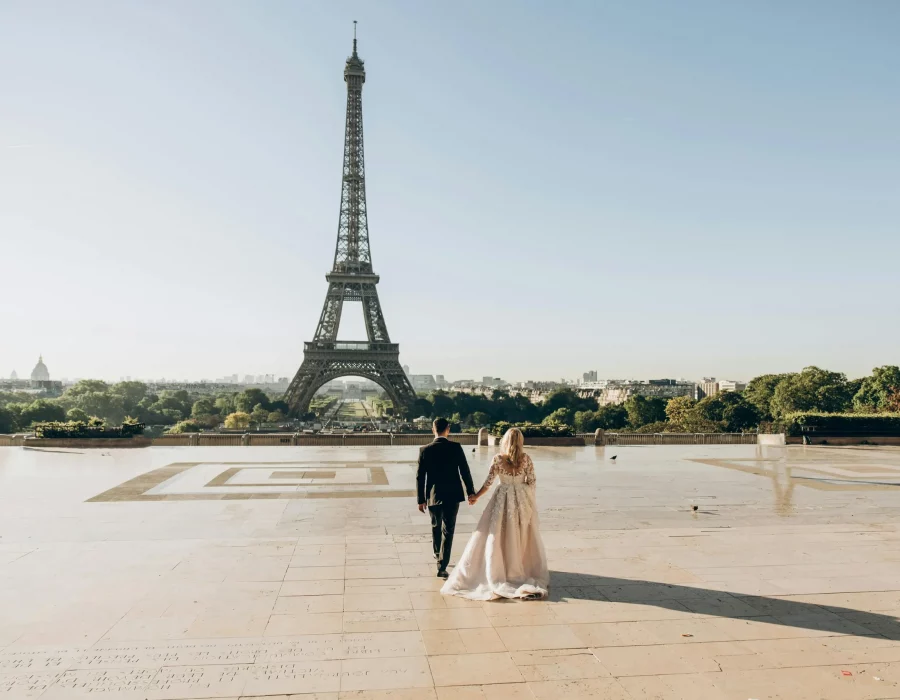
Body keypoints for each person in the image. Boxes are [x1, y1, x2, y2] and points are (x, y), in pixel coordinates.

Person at [441, 427, 549, 600]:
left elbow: (488, 483)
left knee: (498, 533)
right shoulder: (526, 459)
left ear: (505, 440)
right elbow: (533, 482)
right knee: (520, 534)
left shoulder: (498, 459)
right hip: (521, 500)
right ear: (521, 441)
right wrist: (525, 498)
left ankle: (499, 568)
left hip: (502, 497)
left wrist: (475, 496)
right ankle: (518, 568)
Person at [416, 417, 476, 578]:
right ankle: (442, 565)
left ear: (432, 430)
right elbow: (465, 471)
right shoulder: (456, 448)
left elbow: (420, 477)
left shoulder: (425, 450)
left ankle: (437, 553)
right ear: (448, 429)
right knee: (448, 530)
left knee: (435, 526)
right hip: (453, 494)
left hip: (433, 495)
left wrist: (420, 499)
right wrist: (471, 492)